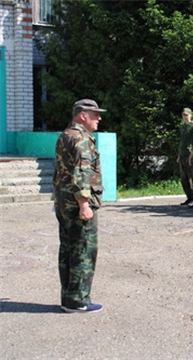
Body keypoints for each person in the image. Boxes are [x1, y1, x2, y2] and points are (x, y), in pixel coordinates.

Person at [53, 99, 106, 313]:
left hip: (64, 202)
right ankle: (78, 301)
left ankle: (68, 297)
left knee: (68, 248)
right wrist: (84, 204)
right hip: (77, 204)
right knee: (83, 249)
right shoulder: (82, 139)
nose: (99, 118)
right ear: (82, 115)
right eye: (95, 114)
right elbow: (81, 174)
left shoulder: (66, 135)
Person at [177, 108, 193, 206]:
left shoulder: (192, 126)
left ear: (190, 115)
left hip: (189, 154)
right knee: (184, 178)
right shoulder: (182, 127)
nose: (185, 117)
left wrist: (191, 155)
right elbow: (182, 142)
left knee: (191, 177)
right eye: (184, 115)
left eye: (187, 115)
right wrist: (179, 155)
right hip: (183, 154)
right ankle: (189, 197)